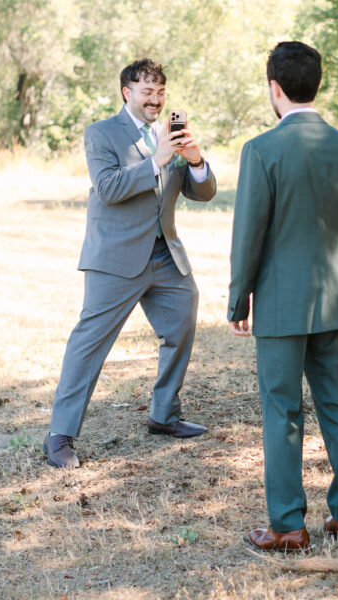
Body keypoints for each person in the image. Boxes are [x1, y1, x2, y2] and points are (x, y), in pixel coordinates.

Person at [228, 41, 338, 551]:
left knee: (282, 411)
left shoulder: (262, 150)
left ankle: (289, 525)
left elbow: (249, 233)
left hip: (280, 304)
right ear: (316, 83)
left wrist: (238, 298)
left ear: (275, 87)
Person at [44, 58, 217, 468]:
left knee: (181, 327)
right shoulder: (101, 134)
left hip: (165, 254)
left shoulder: (171, 134)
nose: (156, 100)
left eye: (161, 93)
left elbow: (204, 193)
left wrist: (194, 160)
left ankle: (163, 416)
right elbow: (108, 189)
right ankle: (59, 435)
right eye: (147, 92)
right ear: (127, 93)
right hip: (116, 258)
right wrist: (156, 159)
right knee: (89, 345)